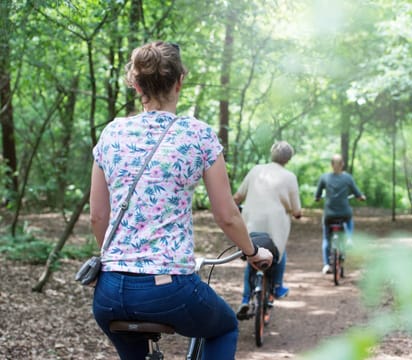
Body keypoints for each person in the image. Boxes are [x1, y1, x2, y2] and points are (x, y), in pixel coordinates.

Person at [89, 41, 272, 360]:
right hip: (168, 287)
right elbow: (227, 215)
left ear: (135, 84)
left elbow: (97, 218)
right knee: (225, 327)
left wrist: (118, 263)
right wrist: (252, 252)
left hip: (109, 293)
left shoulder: (112, 134)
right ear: (179, 81)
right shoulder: (198, 135)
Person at [233, 141, 302, 317]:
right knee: (279, 252)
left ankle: (245, 300)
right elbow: (297, 211)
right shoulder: (289, 177)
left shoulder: (256, 170)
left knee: (252, 255)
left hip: (251, 225)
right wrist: (297, 213)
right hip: (275, 228)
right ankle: (277, 287)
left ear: (272, 154)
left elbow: (238, 196)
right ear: (288, 159)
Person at [314, 154, 366, 274]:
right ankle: (349, 238)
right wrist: (361, 197)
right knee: (349, 220)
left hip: (329, 214)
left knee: (326, 239)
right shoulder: (348, 178)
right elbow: (357, 193)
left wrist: (317, 198)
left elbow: (317, 195)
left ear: (331, 164)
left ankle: (326, 264)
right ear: (343, 164)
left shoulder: (324, 178)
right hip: (344, 213)